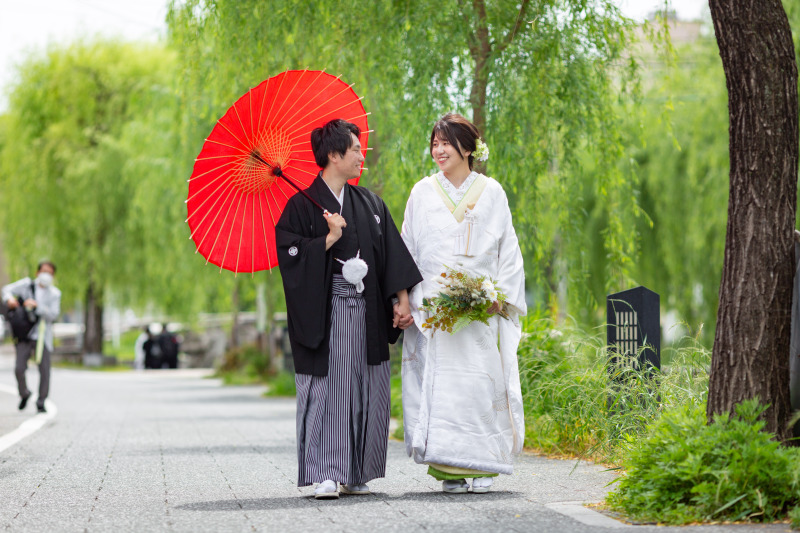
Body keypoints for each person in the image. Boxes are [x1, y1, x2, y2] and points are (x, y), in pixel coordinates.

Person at [276, 119, 422, 499]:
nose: (361, 155)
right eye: (356, 149)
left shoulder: (370, 203)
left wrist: (402, 301)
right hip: (327, 312)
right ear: (334, 155)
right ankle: (326, 470)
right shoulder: (299, 207)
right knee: (332, 386)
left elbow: (392, 257)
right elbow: (290, 257)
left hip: (369, 309)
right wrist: (327, 239)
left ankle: (358, 470)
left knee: (366, 385)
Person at [400, 113, 527, 494]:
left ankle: (485, 465)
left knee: (479, 387)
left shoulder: (492, 191)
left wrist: (498, 296)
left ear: (468, 148)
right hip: (436, 310)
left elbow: (509, 250)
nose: (438, 150)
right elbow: (407, 250)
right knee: (443, 391)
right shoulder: (421, 192)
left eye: (446, 143)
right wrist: (406, 299)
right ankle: (449, 470)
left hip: (480, 310)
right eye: (434, 143)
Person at [2, 261, 61, 413]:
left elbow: (53, 314)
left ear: (53, 276)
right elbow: (6, 290)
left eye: (50, 273)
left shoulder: (55, 294)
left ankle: (41, 401)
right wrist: (10, 299)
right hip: (25, 333)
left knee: (45, 370)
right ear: (37, 273)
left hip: (42, 336)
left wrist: (37, 307)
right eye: (44, 271)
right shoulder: (27, 285)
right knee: (19, 368)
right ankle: (24, 393)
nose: (46, 275)